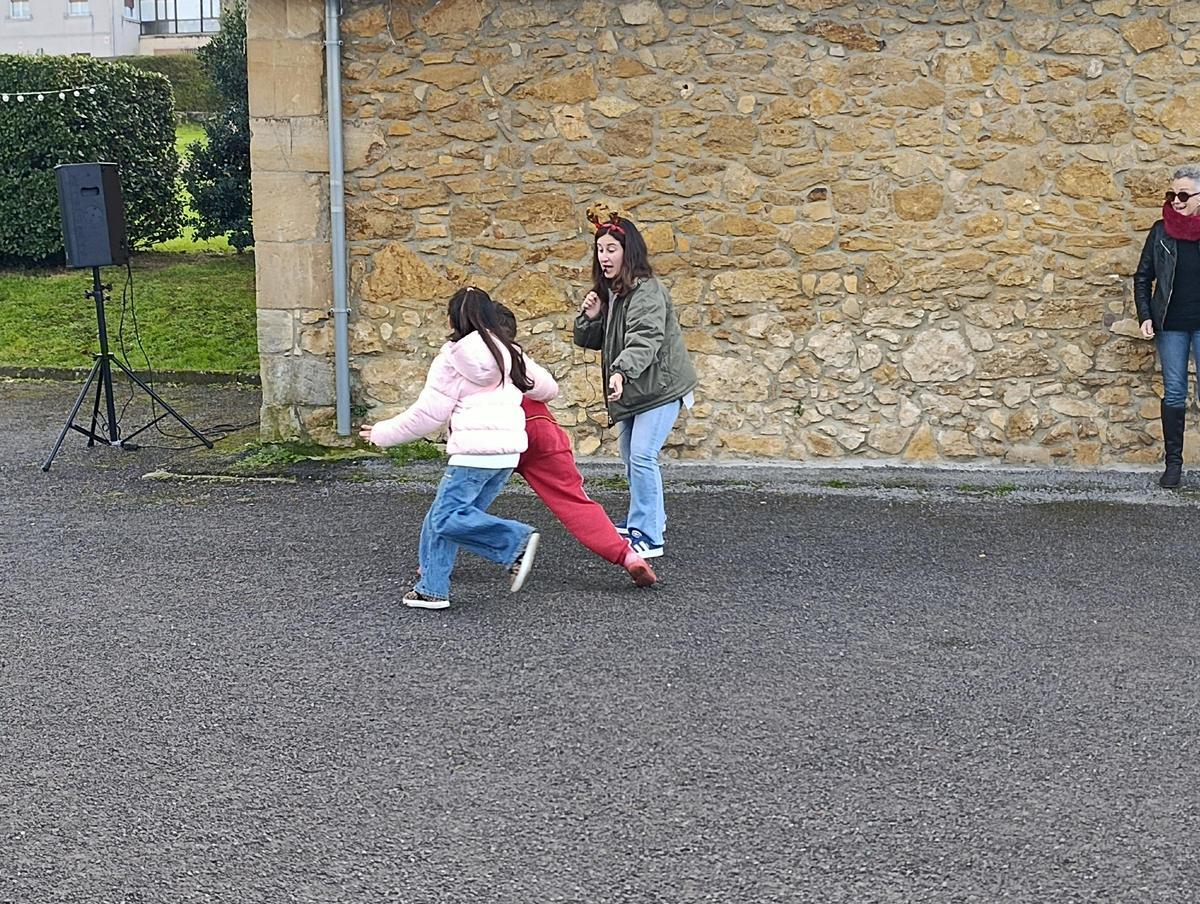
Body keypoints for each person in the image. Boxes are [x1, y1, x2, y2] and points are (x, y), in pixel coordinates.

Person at [359, 287, 558, 609]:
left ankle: (513, 541)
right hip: (506, 457)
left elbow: (428, 415)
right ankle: (432, 588)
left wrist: (382, 433)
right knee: (446, 516)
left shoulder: (452, 358)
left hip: (472, 456)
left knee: (445, 518)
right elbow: (548, 389)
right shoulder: (510, 353)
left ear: (453, 319)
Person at [492, 303, 657, 587]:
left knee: (456, 505)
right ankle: (628, 556)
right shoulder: (519, 357)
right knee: (576, 503)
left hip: (497, 434)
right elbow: (547, 389)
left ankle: (432, 569)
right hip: (541, 427)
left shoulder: (471, 357)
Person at [572, 202, 698, 559]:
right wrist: (591, 317)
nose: (604, 256)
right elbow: (591, 340)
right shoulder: (613, 292)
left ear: (628, 252)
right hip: (635, 390)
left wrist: (621, 372)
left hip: (660, 387)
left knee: (642, 455)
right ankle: (648, 520)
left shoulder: (646, 290)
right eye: (600, 250)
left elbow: (645, 338)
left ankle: (650, 536)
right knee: (631, 457)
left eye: (611, 249)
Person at [1134, 164, 1200, 489]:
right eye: (1172, 194)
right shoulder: (1161, 231)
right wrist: (1145, 315)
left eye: (1183, 195)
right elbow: (1143, 276)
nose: (1176, 200)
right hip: (1171, 324)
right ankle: (1173, 464)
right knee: (1174, 391)